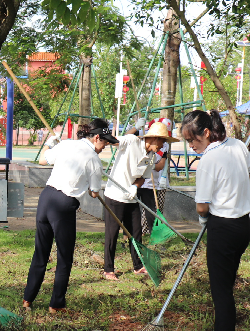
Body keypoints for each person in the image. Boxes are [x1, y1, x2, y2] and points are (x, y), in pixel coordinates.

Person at [23, 119, 117, 313]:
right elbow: (93, 192)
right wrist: (93, 187)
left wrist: (50, 143)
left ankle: (27, 300)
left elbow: (42, 160)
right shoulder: (94, 160)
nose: (105, 146)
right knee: (64, 257)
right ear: (96, 137)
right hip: (63, 205)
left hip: (46, 198)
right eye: (105, 142)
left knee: (40, 252)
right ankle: (55, 304)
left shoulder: (66, 144)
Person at [182, 110, 250, 331]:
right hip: (244, 224)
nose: (191, 146)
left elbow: (202, 206)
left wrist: (202, 220)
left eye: (193, 140)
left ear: (207, 133)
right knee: (226, 286)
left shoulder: (208, 160)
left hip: (223, 227)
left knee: (221, 291)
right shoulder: (238, 145)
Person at [102, 122, 174, 280]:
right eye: (162, 141)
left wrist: (134, 187)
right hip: (115, 195)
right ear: (154, 138)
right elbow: (113, 140)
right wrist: (134, 128)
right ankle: (108, 269)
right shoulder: (132, 142)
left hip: (131, 197)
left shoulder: (151, 156)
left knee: (135, 232)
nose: (162, 145)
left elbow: (143, 177)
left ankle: (138, 265)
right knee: (112, 234)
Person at [137, 118, 172, 235]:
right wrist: (136, 127)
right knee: (134, 210)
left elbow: (161, 164)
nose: (162, 143)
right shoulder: (142, 136)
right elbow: (124, 138)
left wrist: (151, 166)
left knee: (151, 210)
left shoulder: (164, 145)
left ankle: (153, 233)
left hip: (153, 183)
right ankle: (132, 234)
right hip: (139, 181)